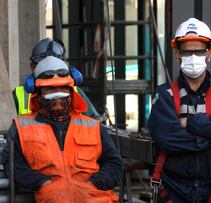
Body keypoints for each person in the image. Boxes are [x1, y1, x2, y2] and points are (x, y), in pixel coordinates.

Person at [5, 56, 123, 203]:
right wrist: (43, 184)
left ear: (71, 91)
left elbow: (114, 163)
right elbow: (13, 165)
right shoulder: (21, 127)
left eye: (62, 88)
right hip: (51, 198)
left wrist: (94, 184)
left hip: (95, 198)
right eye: (50, 89)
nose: (58, 94)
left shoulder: (93, 127)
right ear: (38, 93)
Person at [147, 18, 211, 202]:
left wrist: (188, 122)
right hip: (173, 191)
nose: (193, 57)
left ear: (209, 53)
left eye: (198, 51)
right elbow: (166, 138)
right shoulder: (164, 94)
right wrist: (207, 139)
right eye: (187, 52)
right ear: (177, 54)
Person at [12, 38, 101, 120]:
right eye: (43, 67)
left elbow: (94, 122)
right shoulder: (19, 95)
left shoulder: (75, 91)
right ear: (33, 67)